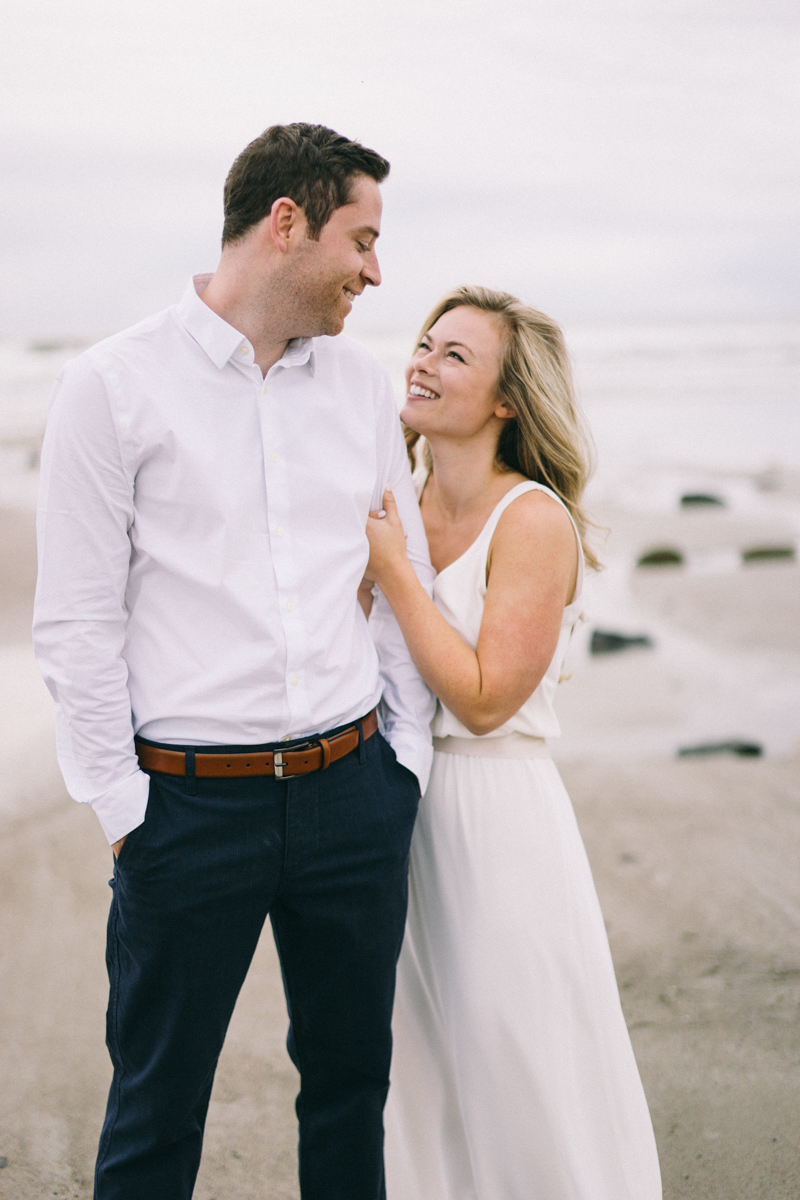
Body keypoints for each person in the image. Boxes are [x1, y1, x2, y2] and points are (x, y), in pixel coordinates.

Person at [32, 123, 435, 1200]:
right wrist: (124, 811)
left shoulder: (359, 389)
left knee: (350, 1089)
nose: (375, 271)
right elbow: (74, 623)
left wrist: (402, 765)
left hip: (353, 799)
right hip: (185, 814)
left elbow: (401, 583)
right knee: (156, 1111)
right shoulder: (110, 387)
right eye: (362, 238)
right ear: (285, 222)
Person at [364, 287, 663, 1199]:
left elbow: (489, 699)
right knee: (420, 1065)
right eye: (424, 343)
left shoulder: (530, 519)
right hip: (394, 805)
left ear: (506, 400)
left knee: (516, 1056)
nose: (423, 360)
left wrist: (393, 576)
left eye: (456, 354)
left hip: (497, 815)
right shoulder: (396, 500)